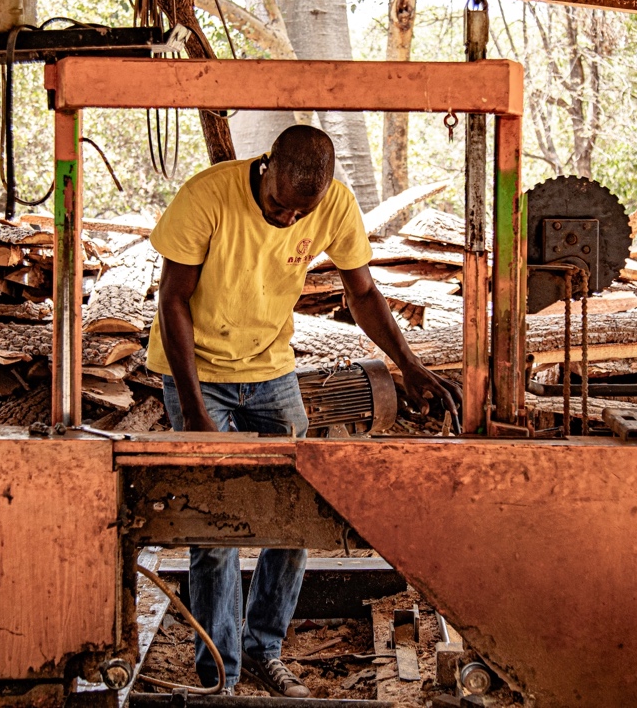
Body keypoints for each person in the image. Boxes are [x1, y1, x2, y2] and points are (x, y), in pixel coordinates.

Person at [148, 124, 460, 696]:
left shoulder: (333, 203)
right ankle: (220, 672)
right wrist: (193, 411)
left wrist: (409, 367)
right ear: (266, 168)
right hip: (199, 373)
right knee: (213, 526)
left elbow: (362, 293)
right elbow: (172, 299)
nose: (290, 220)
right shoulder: (207, 196)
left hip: (271, 370)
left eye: (301, 213)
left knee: (294, 512)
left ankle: (264, 648)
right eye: (279, 207)